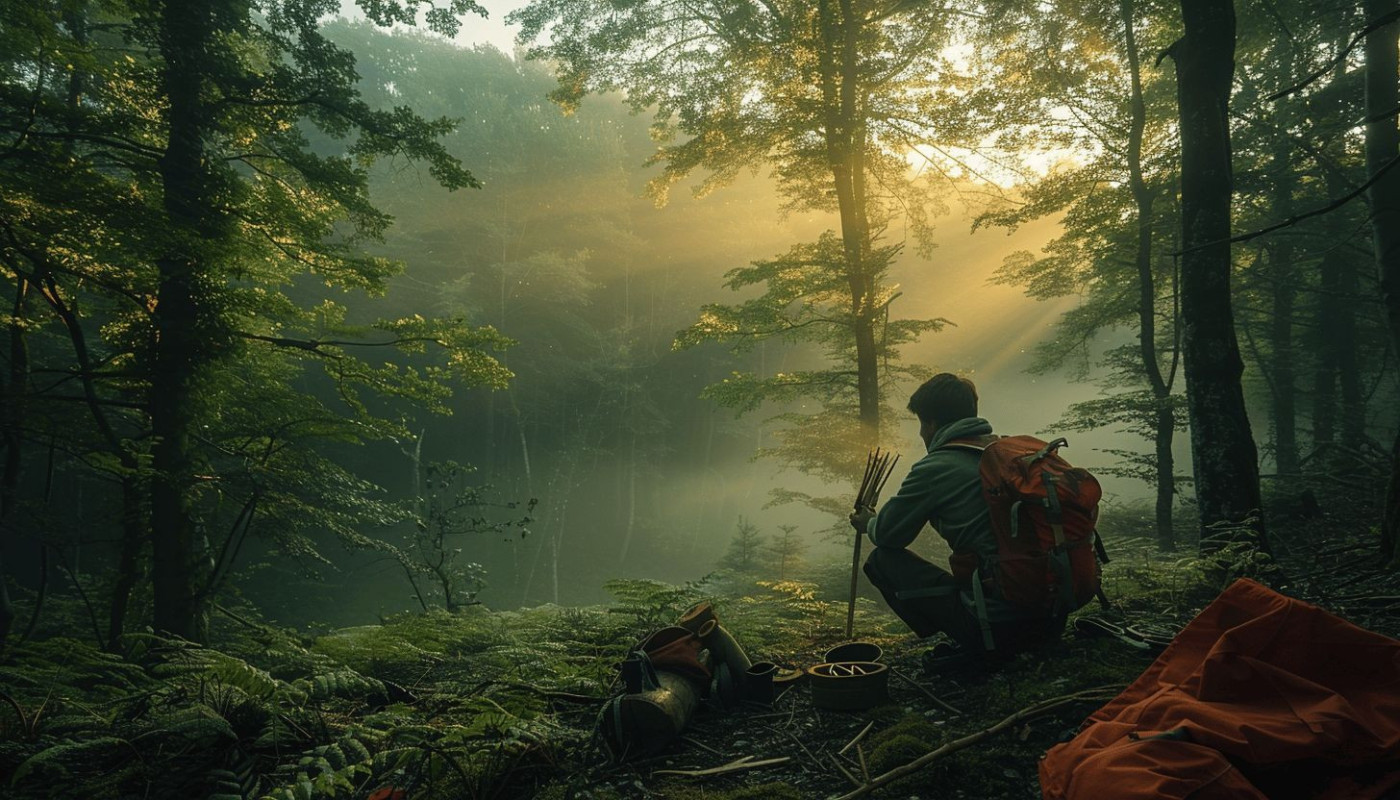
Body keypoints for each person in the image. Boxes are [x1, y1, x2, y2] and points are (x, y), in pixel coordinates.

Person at [848, 373, 1065, 667]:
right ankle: (992, 633)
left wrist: (868, 522)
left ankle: (978, 642)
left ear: (933, 424)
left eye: (922, 424)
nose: (922, 434)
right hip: (1054, 615)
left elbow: (888, 535)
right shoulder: (1010, 455)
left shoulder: (936, 467)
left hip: (998, 626)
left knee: (882, 560)